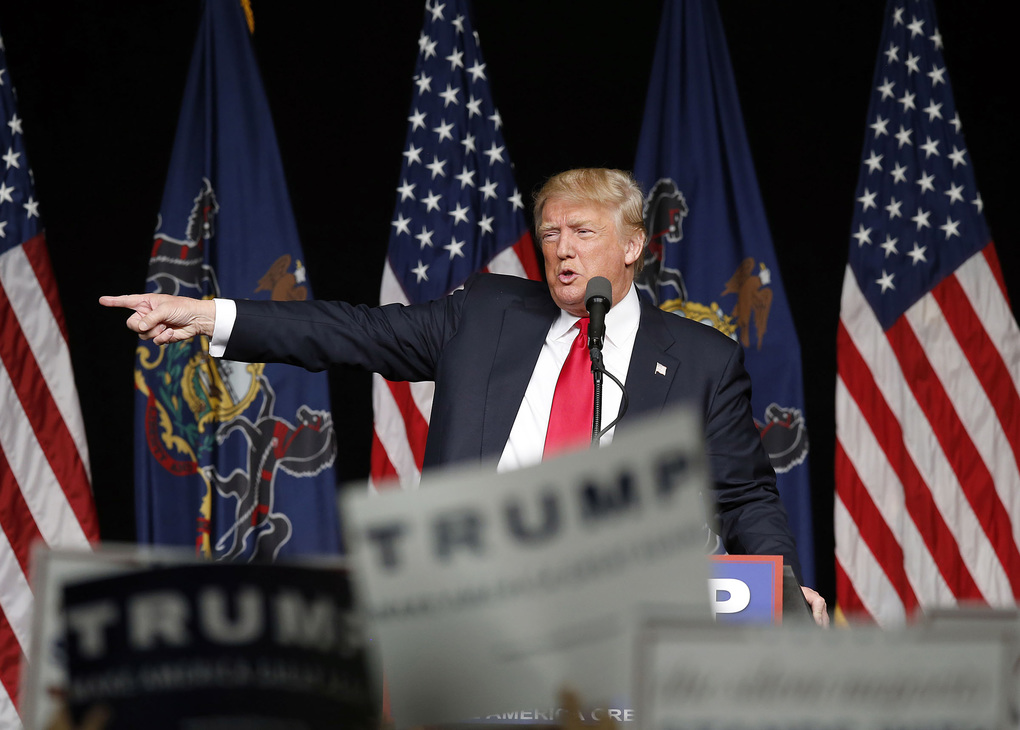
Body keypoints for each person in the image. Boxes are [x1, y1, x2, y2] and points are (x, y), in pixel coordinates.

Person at [101, 168, 828, 626]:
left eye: (582, 231)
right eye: (550, 234)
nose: (562, 250)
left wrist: (785, 586)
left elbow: (744, 495)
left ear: (633, 245)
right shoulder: (487, 313)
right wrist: (211, 316)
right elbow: (356, 331)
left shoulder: (701, 357)